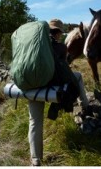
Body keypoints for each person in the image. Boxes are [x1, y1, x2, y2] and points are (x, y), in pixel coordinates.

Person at [28, 19, 90, 166]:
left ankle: (36, 159)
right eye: (60, 33)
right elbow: (64, 68)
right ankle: (85, 105)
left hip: (33, 85)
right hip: (52, 86)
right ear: (58, 33)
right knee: (78, 76)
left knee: (34, 121)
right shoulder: (61, 47)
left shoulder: (34, 46)